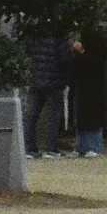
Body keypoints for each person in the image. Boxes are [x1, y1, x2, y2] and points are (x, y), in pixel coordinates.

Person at [23, 27, 70, 159]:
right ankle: (51, 148)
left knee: (32, 114)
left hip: (36, 79)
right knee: (52, 116)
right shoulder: (60, 35)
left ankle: (28, 147)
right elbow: (65, 58)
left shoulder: (34, 34)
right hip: (54, 81)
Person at [69, 22, 107, 157]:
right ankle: (82, 146)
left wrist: (81, 52)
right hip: (84, 83)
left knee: (91, 116)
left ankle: (93, 146)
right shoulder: (98, 43)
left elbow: (94, 63)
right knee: (83, 116)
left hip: (93, 84)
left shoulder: (98, 49)